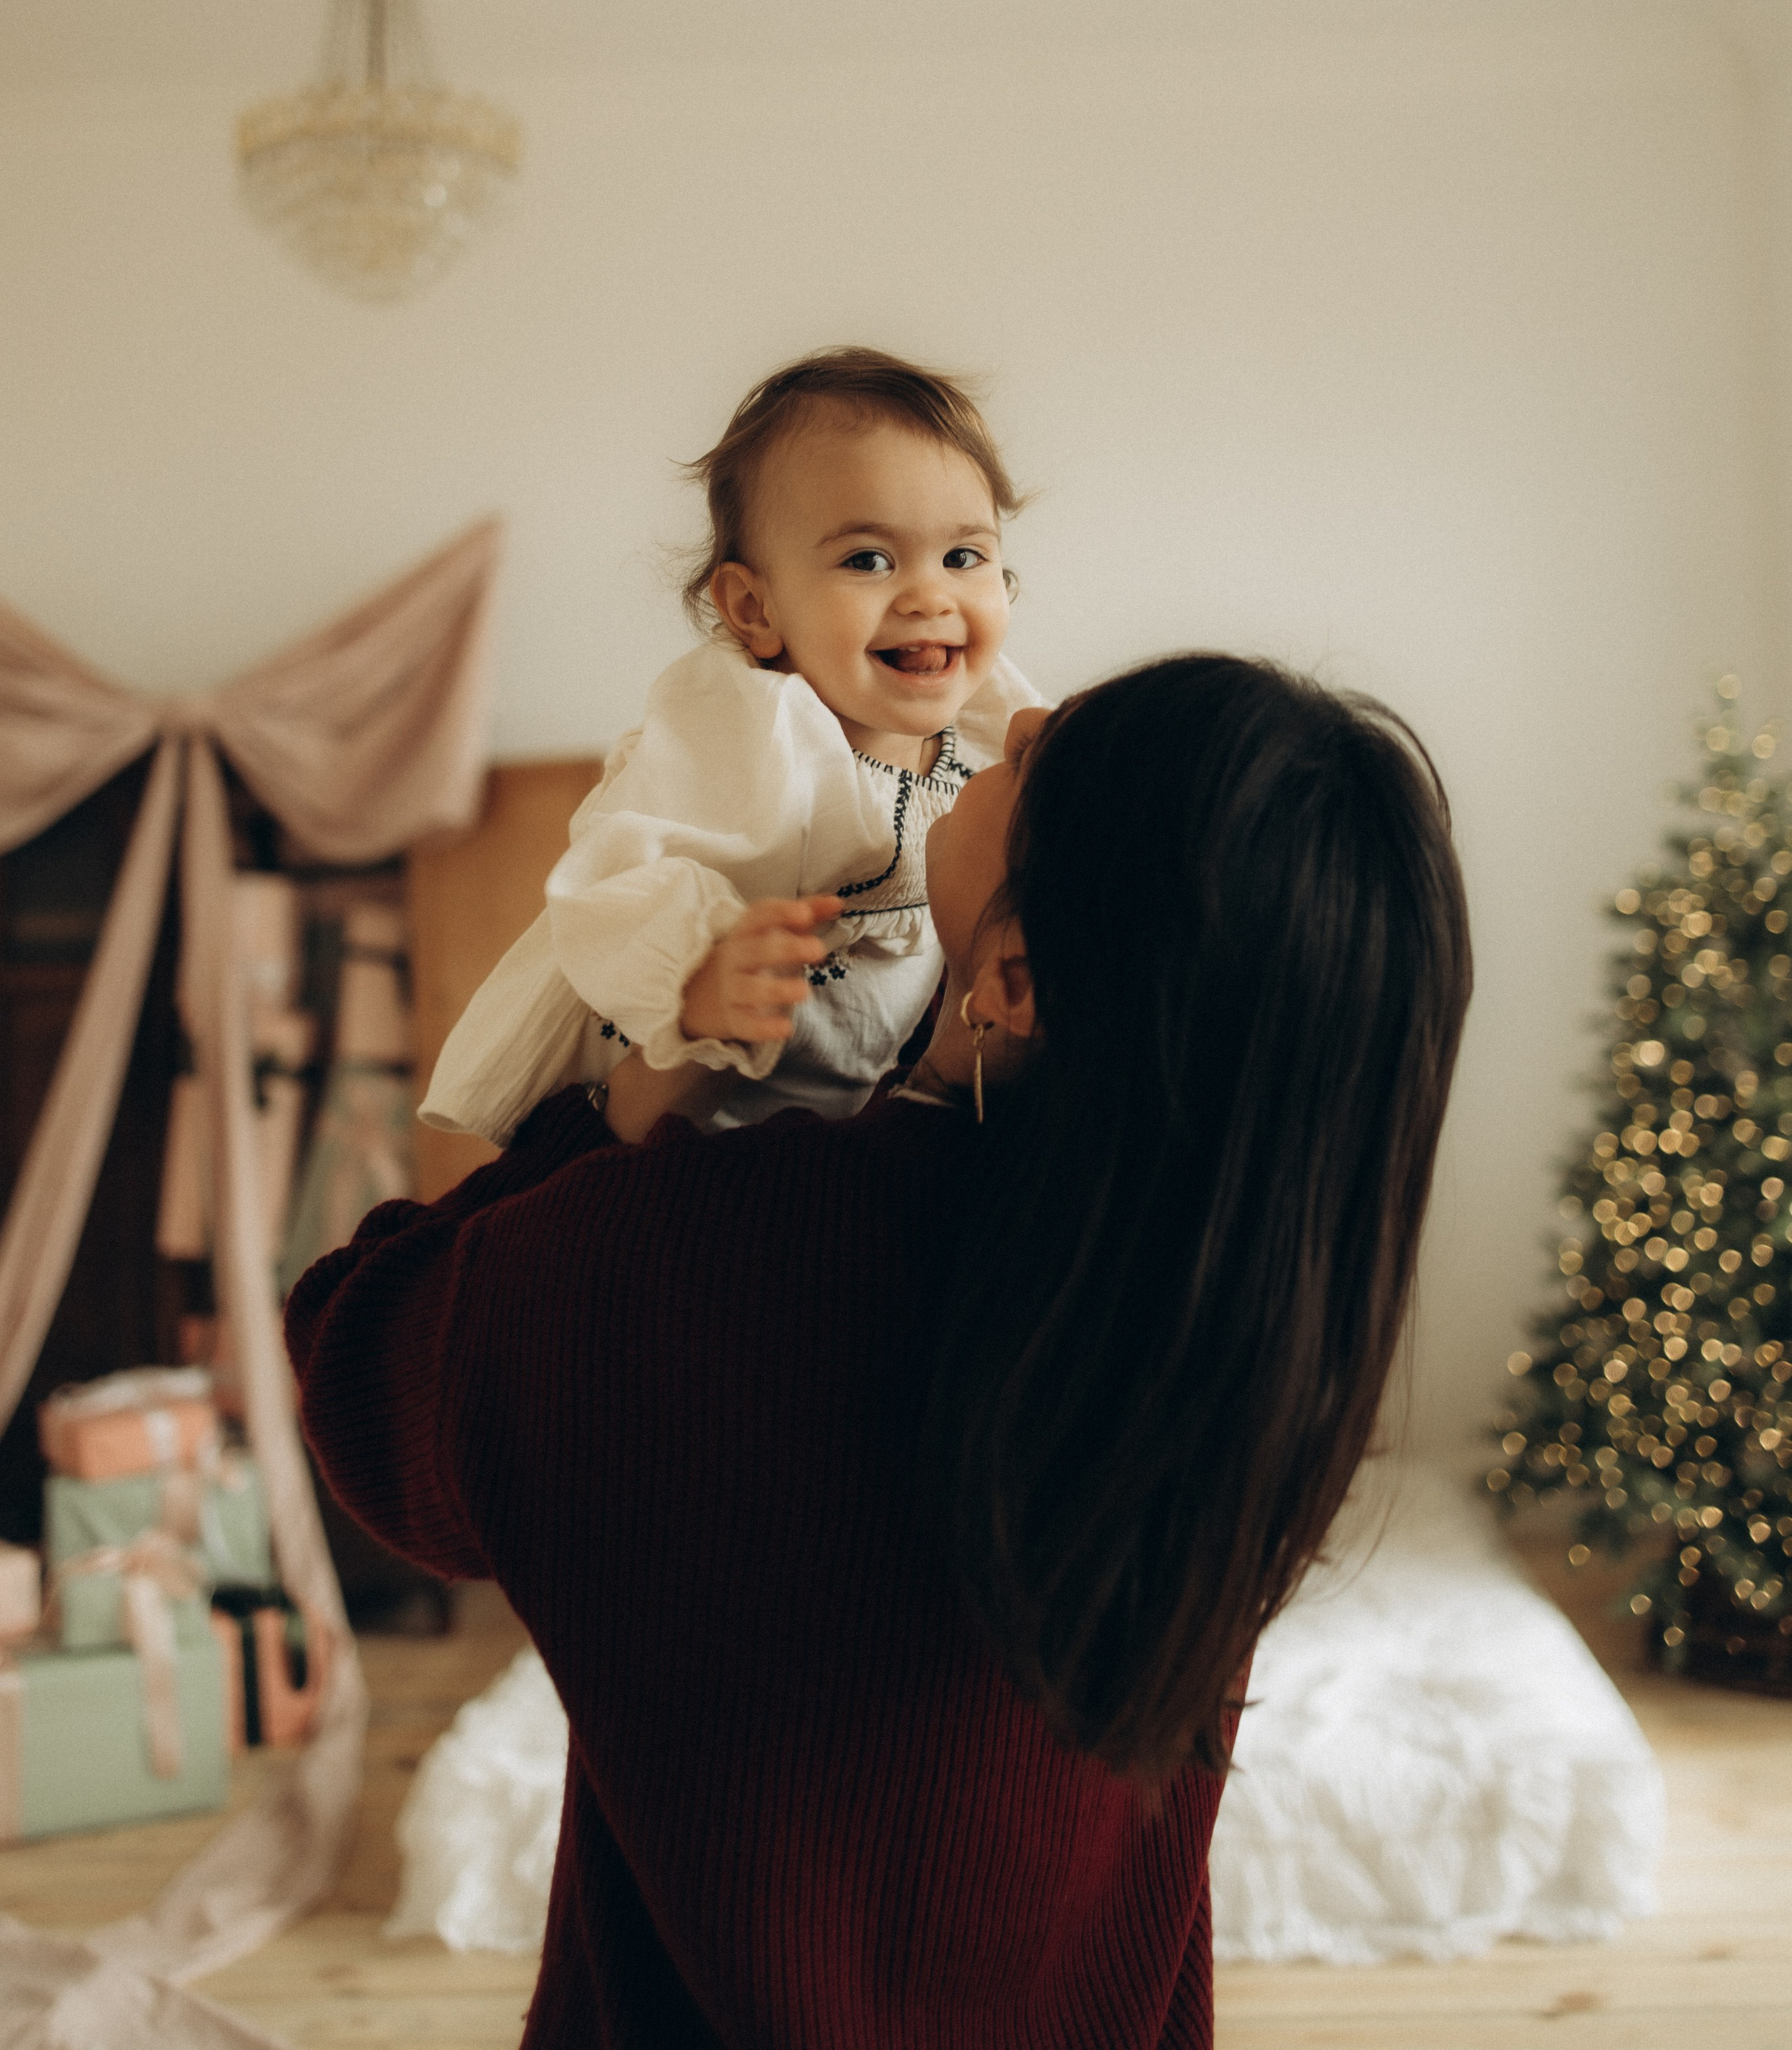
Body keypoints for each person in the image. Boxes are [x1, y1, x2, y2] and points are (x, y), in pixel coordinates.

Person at [289, 653, 1472, 2049]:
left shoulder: (695, 1244)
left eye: (1042, 757)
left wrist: (614, 1102)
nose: (1014, 710)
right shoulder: (1249, 1361)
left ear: (1019, 976)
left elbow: (361, 1383)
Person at [421, 346, 1040, 1145]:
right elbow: (616, 875)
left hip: (863, 1095)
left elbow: (1079, 778)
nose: (929, 596)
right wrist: (695, 975)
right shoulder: (741, 723)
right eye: (868, 560)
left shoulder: (989, 715)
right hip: (693, 1089)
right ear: (753, 609)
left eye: (964, 557)